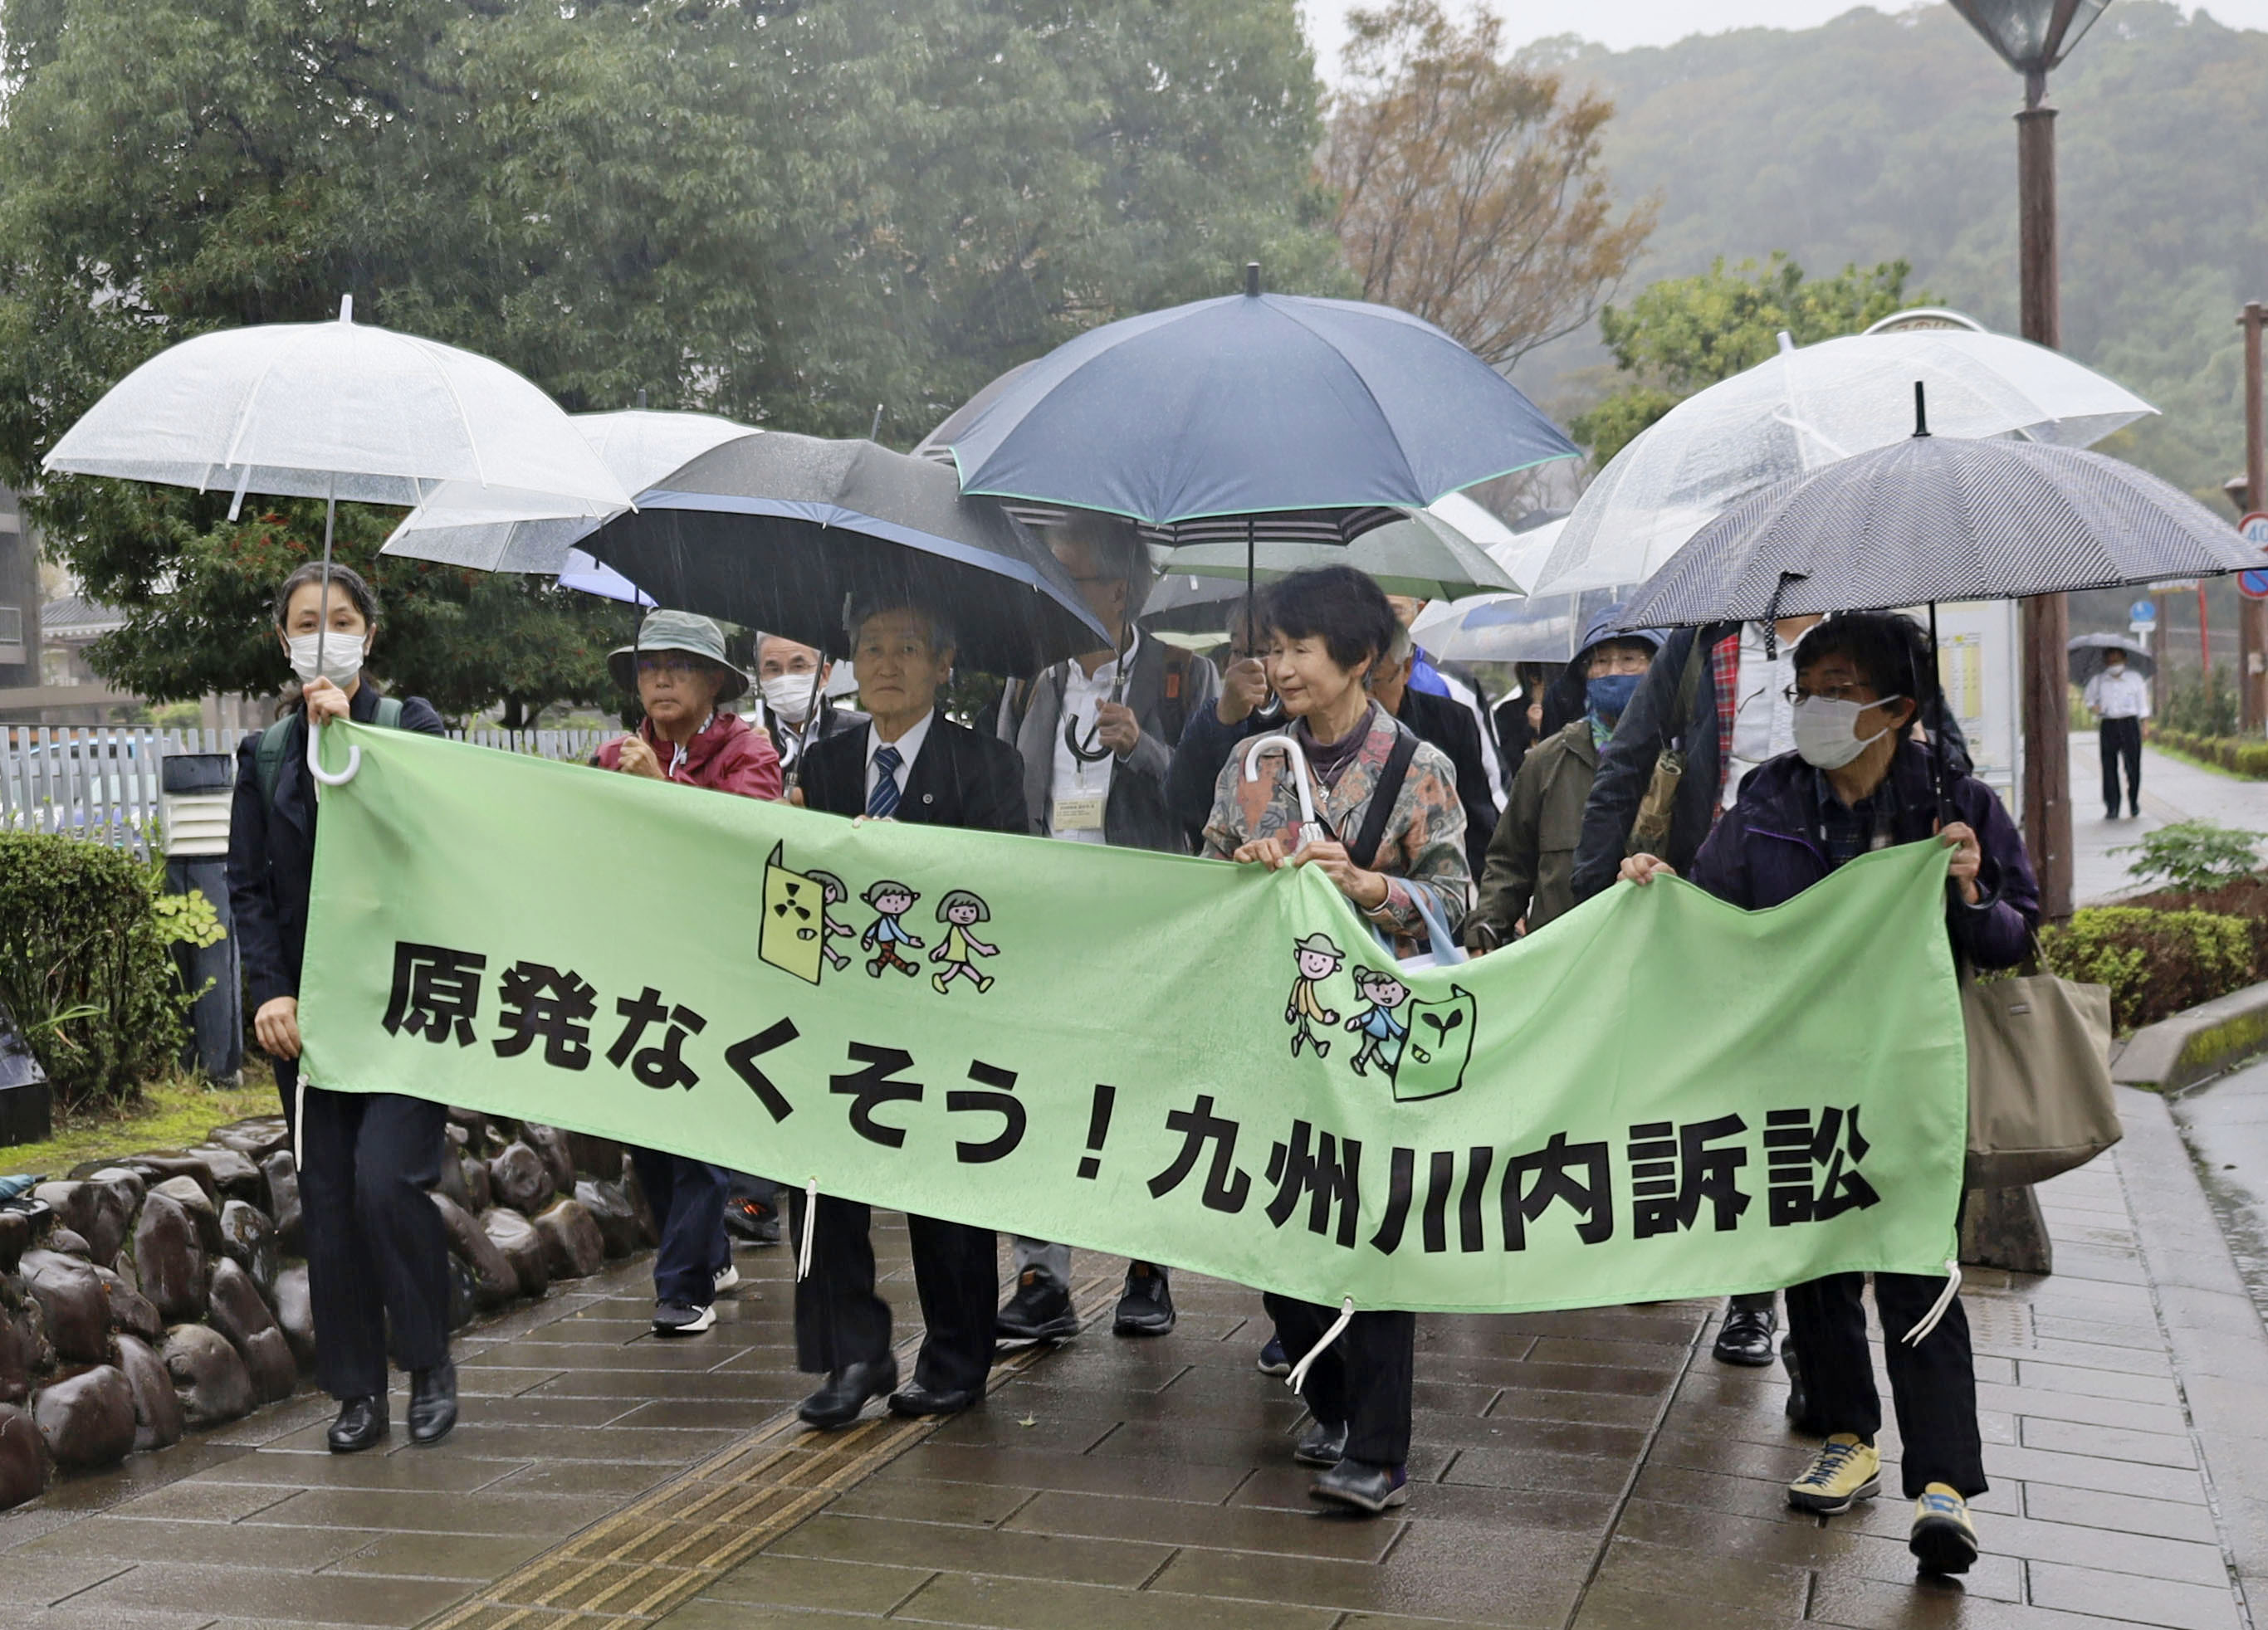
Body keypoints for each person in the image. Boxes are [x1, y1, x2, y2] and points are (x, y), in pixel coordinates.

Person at [1620, 611, 2039, 1577]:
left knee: (1912, 1267)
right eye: (1804, 685)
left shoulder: (1955, 802)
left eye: (1839, 687)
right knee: (1812, 1257)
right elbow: (1711, 909)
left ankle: (1943, 1485)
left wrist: (1971, 890)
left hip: (1908, 1080)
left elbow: (2014, 933)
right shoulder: (1767, 800)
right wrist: (1659, 886)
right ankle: (1844, 1432)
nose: (1814, 706)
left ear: (1896, 706)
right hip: (1797, 1078)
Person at [1203, 565, 1469, 1516]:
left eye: (1298, 648)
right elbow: (1204, 883)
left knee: (1373, 1233)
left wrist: (1366, 887)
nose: (1278, 666)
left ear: (1358, 657)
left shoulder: (1419, 766)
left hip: (1375, 1038)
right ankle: (1328, 1393)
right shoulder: (1251, 765)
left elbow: (1455, 904)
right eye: (1271, 647)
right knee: (1277, 1226)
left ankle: (1379, 1447)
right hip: (1276, 1034)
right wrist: (1240, 872)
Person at [227, 563, 456, 1454]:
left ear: (371, 633)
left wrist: (356, 738)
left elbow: (435, 839)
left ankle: (431, 1363)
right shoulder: (268, 752)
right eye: (307, 621)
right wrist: (270, 991)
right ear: (285, 642)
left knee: (386, 1182)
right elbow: (247, 887)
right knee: (327, 1198)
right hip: (311, 1022)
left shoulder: (412, 725)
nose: (326, 632)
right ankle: (356, 1389)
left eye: (343, 617)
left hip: (404, 1003)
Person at [790, 596, 1028, 1427]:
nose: (886, 663)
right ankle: (850, 1352)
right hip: (842, 1005)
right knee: (822, 1178)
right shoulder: (821, 763)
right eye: (869, 647)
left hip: (943, 1009)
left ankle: (958, 1356)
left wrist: (902, 859)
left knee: (941, 1183)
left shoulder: (985, 764)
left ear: (944, 661)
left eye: (907, 647)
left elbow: (1004, 882)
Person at [994, 512, 1218, 1344]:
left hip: (1144, 921)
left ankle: (1146, 1263)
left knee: (1143, 1094)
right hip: (1049, 921)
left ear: (1118, 590)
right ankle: (1040, 1276)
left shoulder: (1182, 675)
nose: (1054, 592)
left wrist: (1146, 749)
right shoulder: (1030, 678)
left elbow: (1207, 795)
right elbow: (1002, 790)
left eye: (1072, 577)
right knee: (1039, 1089)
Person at [595, 610, 782, 1335]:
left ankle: (683, 1287)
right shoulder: (614, 757)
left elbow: (748, 843)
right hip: (638, 967)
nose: (661, 678)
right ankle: (709, 1251)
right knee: (644, 1128)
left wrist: (666, 794)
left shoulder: (748, 751)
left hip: (718, 967)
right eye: (648, 666)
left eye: (679, 664)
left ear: (714, 682)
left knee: (698, 1122)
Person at [1464, 611, 1661, 949]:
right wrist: (1485, 930)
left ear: (1658, 666)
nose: (1613, 672)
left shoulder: (1677, 756)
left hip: (1653, 951)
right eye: (1601, 661)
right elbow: (1510, 861)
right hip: (1562, 956)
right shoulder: (1549, 760)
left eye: (1630, 660)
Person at [1368, 619, 1498, 875]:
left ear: (1406, 669)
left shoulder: (1451, 721)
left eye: (1376, 682)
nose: (1366, 697)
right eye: (1356, 683)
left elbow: (1478, 819)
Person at [747, 631, 863, 774]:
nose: (786, 680)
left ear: (824, 675)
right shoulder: (744, 743)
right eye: (773, 669)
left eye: (798, 666)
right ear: (760, 677)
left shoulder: (860, 732)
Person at [2085, 646, 2149, 819]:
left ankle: (2134, 801)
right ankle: (2112, 806)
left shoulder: (2135, 679)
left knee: (2133, 766)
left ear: (2125, 661)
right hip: (2109, 724)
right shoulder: (2098, 680)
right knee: (2108, 767)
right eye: (2111, 661)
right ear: (2106, 662)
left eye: (2118, 661)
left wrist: (2145, 725)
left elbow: (2142, 704)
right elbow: (2089, 700)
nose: (2115, 664)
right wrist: (2094, 707)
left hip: (2130, 723)